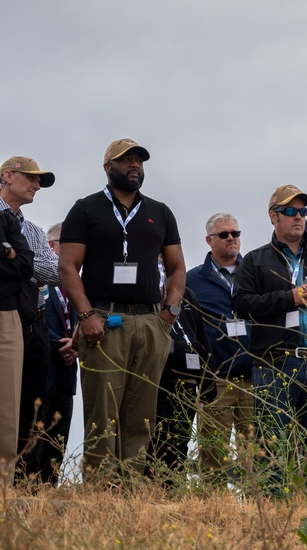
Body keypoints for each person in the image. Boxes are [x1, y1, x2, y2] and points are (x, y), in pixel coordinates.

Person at [59, 139, 186, 479]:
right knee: (103, 410)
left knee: (142, 413)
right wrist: (86, 315)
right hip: (103, 320)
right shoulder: (85, 209)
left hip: (150, 321)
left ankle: (132, 491)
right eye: (126, 160)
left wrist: (167, 316)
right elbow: (68, 266)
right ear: (107, 167)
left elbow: (176, 268)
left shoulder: (159, 212)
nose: (134, 165)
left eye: (138, 161)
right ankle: (101, 492)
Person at [231, 185, 307, 494]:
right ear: (273, 217)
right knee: (272, 447)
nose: (298, 217)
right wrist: (289, 297)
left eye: (302, 212)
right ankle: (274, 518)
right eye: (290, 211)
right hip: (274, 364)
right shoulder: (255, 260)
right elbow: (241, 304)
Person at [0, 156, 61, 481]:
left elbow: (55, 272)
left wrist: (17, 259)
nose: (37, 185)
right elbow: (37, 268)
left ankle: (23, 477)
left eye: (40, 181)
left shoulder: (33, 229)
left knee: (32, 402)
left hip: (35, 321)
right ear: (7, 176)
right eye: (31, 178)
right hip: (5, 315)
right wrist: (23, 265)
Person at [186, 212, 254, 485]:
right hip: (216, 380)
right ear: (209, 240)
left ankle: (256, 514)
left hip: (253, 378)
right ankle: (213, 512)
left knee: (256, 453)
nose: (231, 239)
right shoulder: (193, 280)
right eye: (224, 234)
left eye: (235, 234)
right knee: (212, 453)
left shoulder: (254, 273)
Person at [147, 291, 212, 484]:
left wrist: (207, 383)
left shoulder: (186, 294)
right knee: (153, 439)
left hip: (186, 381)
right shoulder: (147, 286)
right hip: (154, 379)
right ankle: (148, 490)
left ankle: (174, 489)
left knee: (179, 441)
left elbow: (201, 336)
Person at [30, 224, 78, 485]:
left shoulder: (77, 286)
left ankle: (51, 489)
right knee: (35, 436)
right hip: (41, 369)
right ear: (51, 246)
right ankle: (28, 489)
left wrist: (77, 344)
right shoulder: (38, 282)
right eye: (68, 244)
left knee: (59, 440)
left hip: (67, 376)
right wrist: (63, 344)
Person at [0, 208, 34, 482]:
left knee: (7, 404)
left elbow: (25, 266)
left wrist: (10, 253)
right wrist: (6, 252)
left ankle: (2, 485)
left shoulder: (7, 220)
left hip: (6, 314)